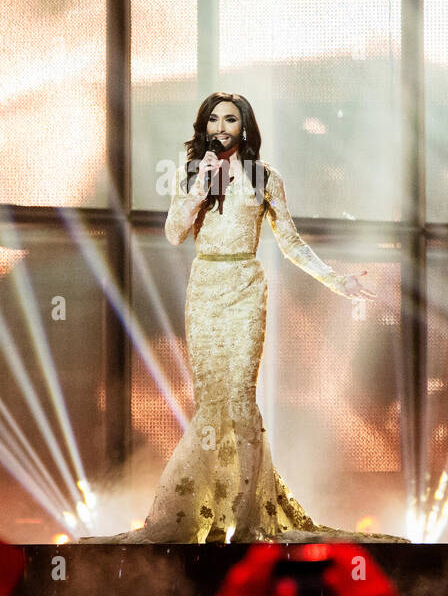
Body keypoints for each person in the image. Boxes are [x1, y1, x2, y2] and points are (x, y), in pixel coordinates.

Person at [83, 92, 407, 544]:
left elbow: (291, 243)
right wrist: (201, 185)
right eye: (213, 119)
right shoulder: (192, 173)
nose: (220, 126)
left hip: (245, 287)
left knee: (239, 398)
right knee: (211, 403)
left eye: (230, 119)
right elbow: (175, 233)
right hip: (205, 289)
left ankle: (249, 517)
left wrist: (339, 281)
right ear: (205, 127)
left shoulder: (264, 178)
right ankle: (208, 517)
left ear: (245, 127)